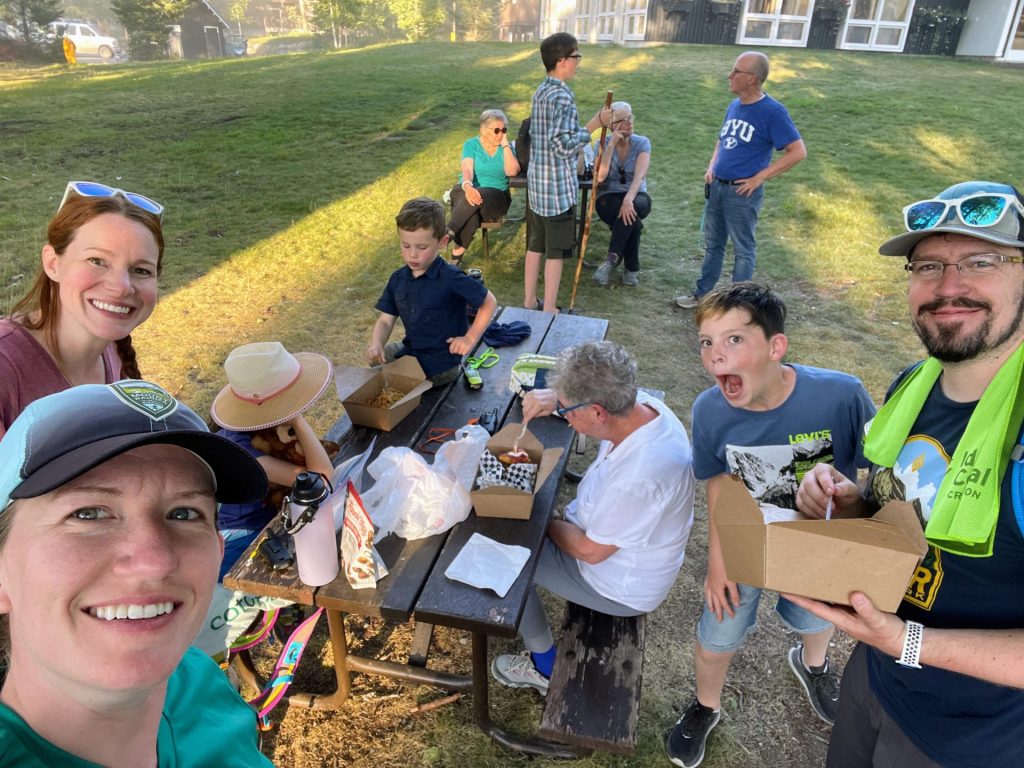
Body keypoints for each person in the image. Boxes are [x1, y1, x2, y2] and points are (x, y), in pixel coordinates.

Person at [790, 181, 1024, 768]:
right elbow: (897, 502)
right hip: (875, 675)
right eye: (928, 265)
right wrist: (850, 502)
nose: (949, 286)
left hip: (968, 738)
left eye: (980, 261)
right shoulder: (911, 387)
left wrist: (908, 642)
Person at [0, 380, 274, 767]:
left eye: (184, 513)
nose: (154, 561)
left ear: (217, 546)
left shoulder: (196, 679)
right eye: (87, 513)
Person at [666, 282, 875, 768]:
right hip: (744, 546)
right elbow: (717, 482)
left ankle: (814, 665)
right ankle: (705, 705)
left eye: (734, 339)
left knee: (817, 619)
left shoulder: (841, 396)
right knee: (718, 633)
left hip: (816, 548)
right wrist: (717, 562)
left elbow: (877, 477)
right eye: (707, 342)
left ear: (776, 346)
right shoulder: (710, 411)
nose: (717, 354)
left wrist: (849, 511)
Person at [490, 340, 695, 694]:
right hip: (617, 542)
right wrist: (557, 398)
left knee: (506, 554)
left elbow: (589, 551)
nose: (564, 415)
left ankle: (543, 666)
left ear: (598, 412)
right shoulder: (641, 407)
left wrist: (541, 517)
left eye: (568, 408)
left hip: (617, 585)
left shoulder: (640, 477)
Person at [0, 180, 164, 439]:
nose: (121, 287)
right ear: (53, 263)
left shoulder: (113, 351)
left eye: (141, 270)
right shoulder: (5, 367)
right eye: (97, 261)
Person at [675, 52, 806, 309]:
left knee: (743, 249)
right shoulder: (734, 105)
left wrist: (759, 178)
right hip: (717, 187)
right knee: (713, 245)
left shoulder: (773, 112)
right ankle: (703, 294)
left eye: (736, 71)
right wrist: (712, 165)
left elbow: (798, 151)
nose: (729, 75)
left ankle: (737, 304)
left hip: (742, 194)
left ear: (752, 79)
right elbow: (722, 140)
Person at [210, 341, 336, 579]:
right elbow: (322, 479)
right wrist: (297, 418)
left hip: (270, 522)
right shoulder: (241, 448)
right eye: (292, 396)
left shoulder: (265, 427)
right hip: (240, 540)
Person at [524, 32, 611, 313]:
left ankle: (528, 301)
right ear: (561, 60)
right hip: (556, 190)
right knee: (556, 251)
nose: (578, 62)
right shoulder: (561, 96)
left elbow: (552, 138)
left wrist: (587, 125)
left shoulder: (541, 91)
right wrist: (596, 124)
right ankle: (549, 308)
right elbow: (564, 147)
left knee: (535, 244)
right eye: (576, 56)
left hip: (537, 185)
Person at [367, 196, 497, 385]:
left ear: (442, 242)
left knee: (389, 383)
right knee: (380, 357)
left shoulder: (451, 277)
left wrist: (469, 338)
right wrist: (376, 343)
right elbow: (386, 321)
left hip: (441, 365)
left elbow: (489, 302)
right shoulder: (398, 279)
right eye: (406, 245)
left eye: (422, 247)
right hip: (413, 350)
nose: (412, 254)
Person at [446, 109, 521, 266]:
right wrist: (468, 187)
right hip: (467, 189)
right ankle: (454, 261)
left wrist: (506, 145)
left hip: (496, 197)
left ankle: (448, 232)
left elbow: (512, 171)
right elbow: (467, 169)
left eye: (504, 130)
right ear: (483, 130)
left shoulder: (506, 148)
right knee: (469, 208)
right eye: (496, 130)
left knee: (476, 197)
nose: (500, 134)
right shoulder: (471, 144)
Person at [591, 101, 652, 288]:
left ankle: (610, 260)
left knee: (630, 210)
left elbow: (639, 176)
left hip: (636, 194)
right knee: (632, 221)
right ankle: (631, 269)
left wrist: (628, 199)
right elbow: (600, 178)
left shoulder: (642, 143)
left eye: (630, 117)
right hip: (608, 197)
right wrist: (611, 146)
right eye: (623, 119)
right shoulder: (601, 144)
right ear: (612, 125)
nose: (629, 122)